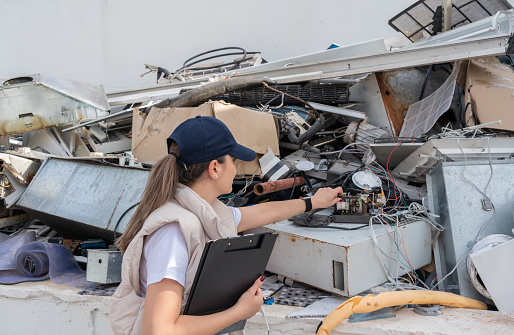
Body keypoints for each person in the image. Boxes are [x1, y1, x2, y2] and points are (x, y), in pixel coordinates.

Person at [110, 116, 343, 335]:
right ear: (214, 168)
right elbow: (160, 330)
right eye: (233, 160)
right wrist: (239, 312)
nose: (236, 168)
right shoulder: (172, 232)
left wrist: (312, 202)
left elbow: (260, 212)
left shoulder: (204, 211)